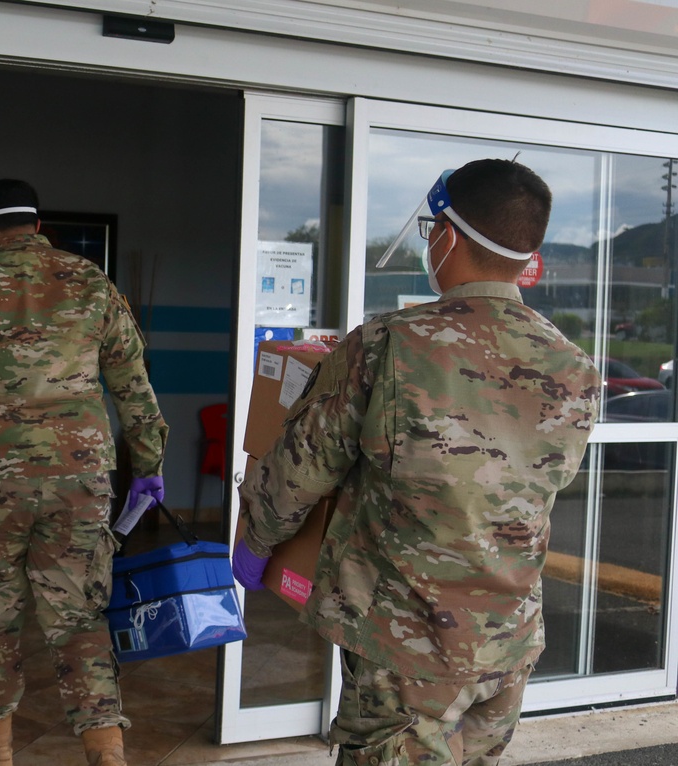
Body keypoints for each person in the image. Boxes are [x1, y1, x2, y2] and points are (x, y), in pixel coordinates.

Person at [234, 159, 601, 766]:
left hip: (404, 643)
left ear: (448, 236)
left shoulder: (389, 343)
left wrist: (256, 540)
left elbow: (300, 469)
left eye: (433, 230)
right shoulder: (575, 367)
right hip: (508, 639)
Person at [0, 179, 168, 766]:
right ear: (38, 227)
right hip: (81, 480)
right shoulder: (93, 282)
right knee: (79, 616)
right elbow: (133, 384)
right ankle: (106, 753)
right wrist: (147, 466)